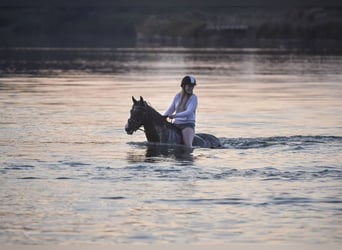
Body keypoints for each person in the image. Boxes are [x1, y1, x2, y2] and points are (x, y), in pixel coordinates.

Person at [164, 75, 198, 148]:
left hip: (187, 125)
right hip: (176, 124)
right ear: (183, 86)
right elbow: (171, 109)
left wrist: (175, 116)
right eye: (189, 86)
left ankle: (188, 156)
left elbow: (189, 112)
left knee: (188, 146)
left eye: (192, 86)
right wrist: (162, 117)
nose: (191, 88)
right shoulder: (177, 96)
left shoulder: (193, 98)